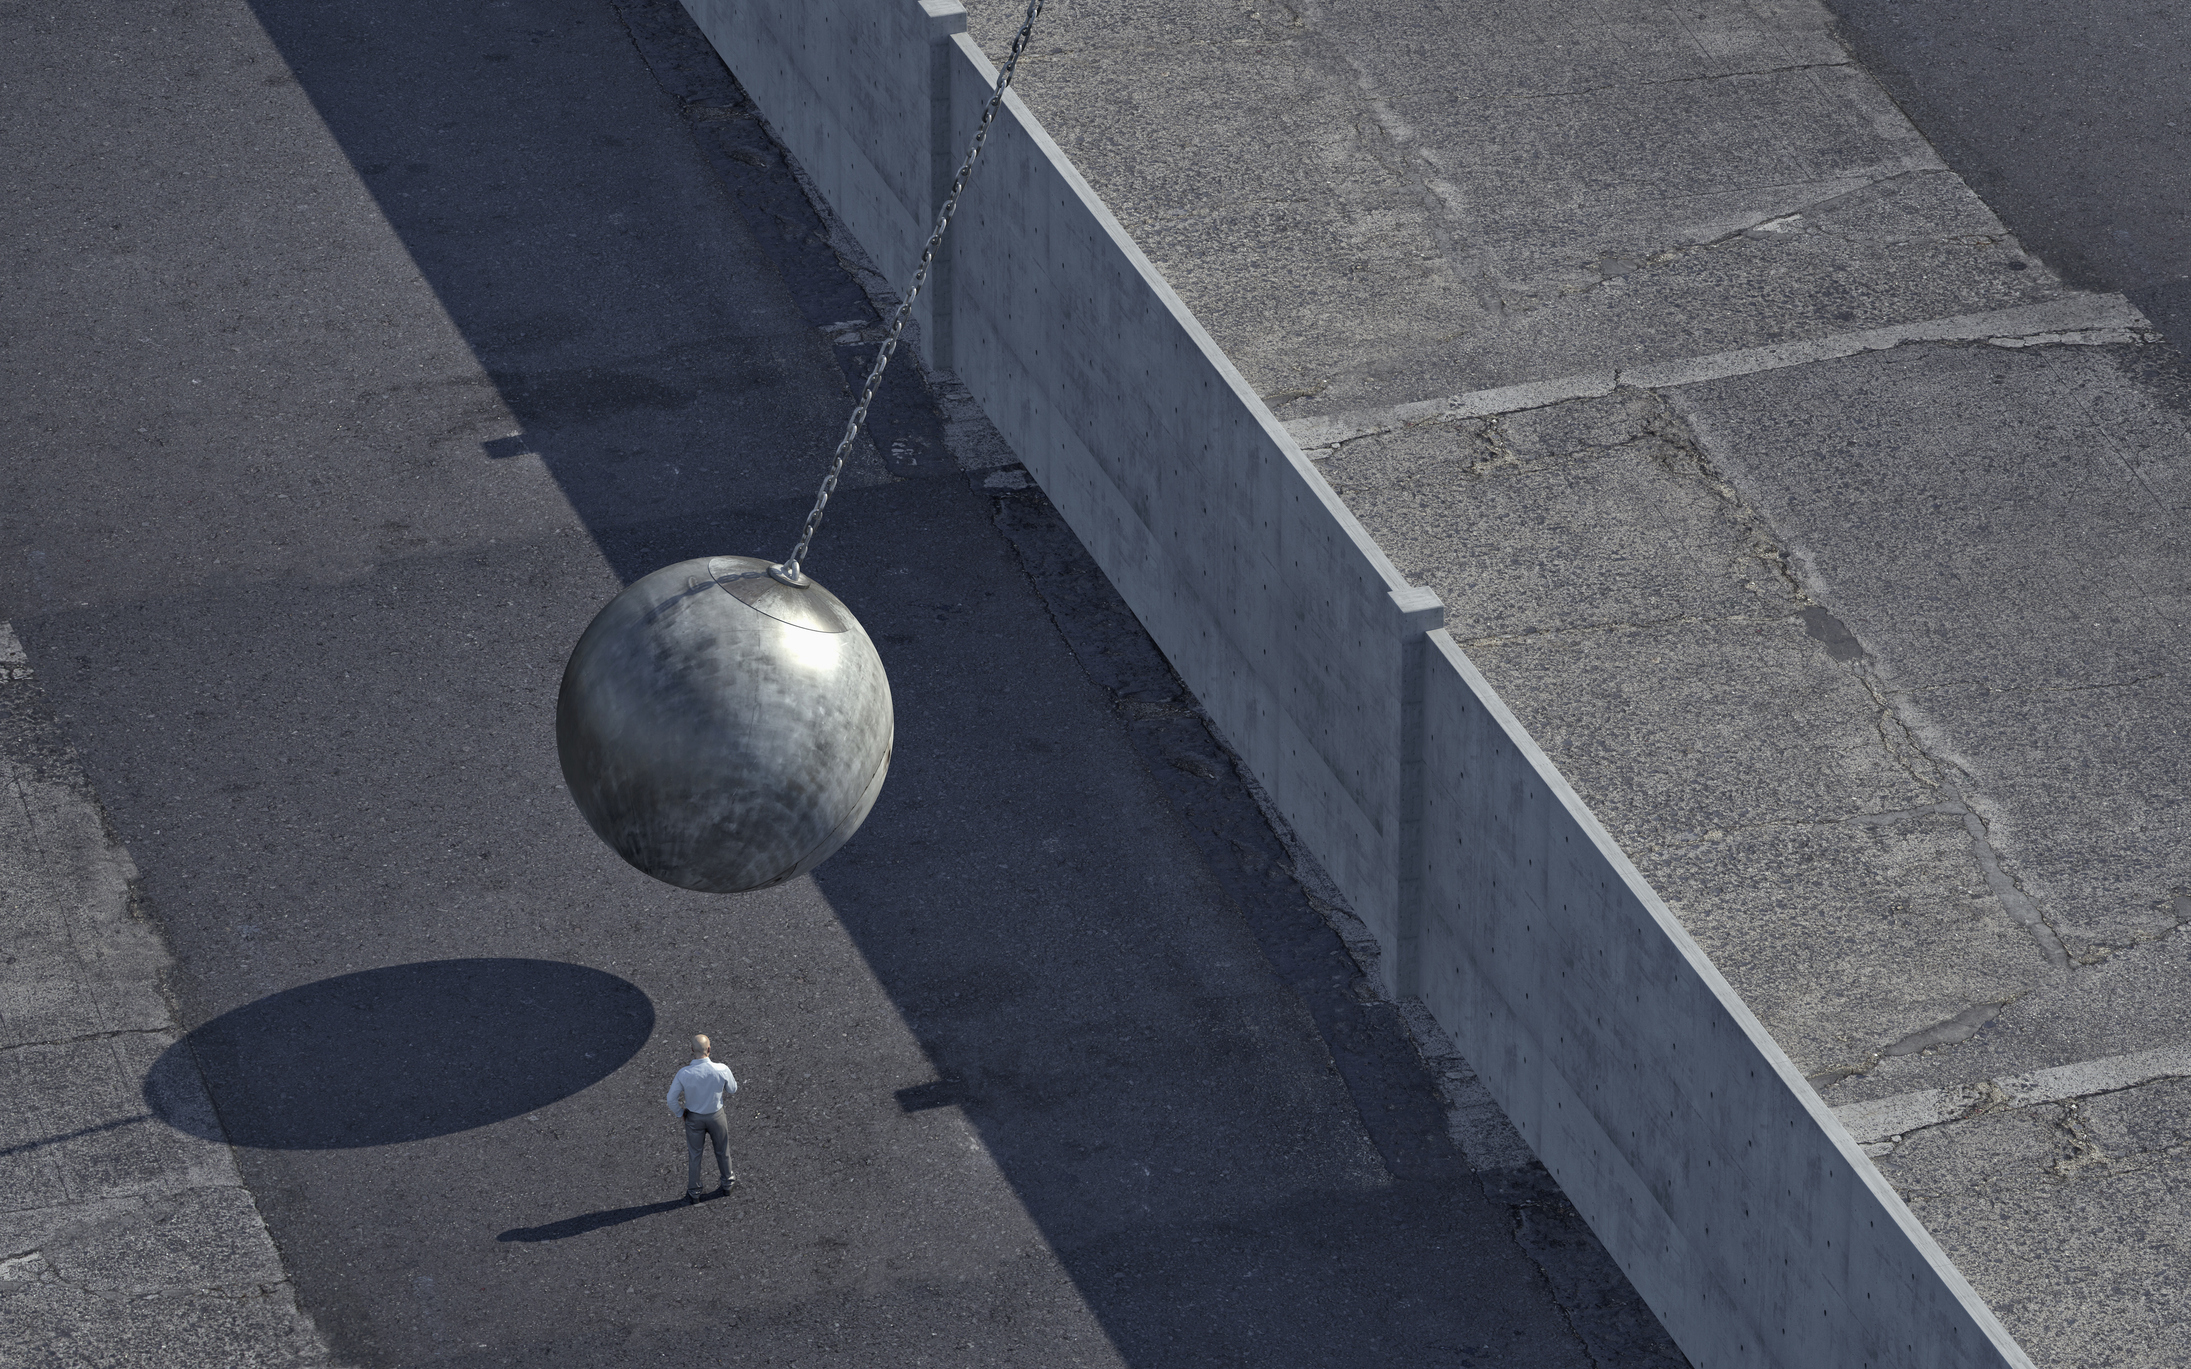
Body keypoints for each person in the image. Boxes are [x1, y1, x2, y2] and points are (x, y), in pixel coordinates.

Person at [665, 1034, 739, 1203]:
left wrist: (680, 1113)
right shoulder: (722, 1069)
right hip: (716, 1116)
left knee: (695, 1155)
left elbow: (671, 1099)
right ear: (709, 1049)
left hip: (694, 1118)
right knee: (722, 1151)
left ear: (692, 1050)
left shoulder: (684, 1073)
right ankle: (727, 1184)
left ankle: (694, 1192)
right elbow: (733, 1089)